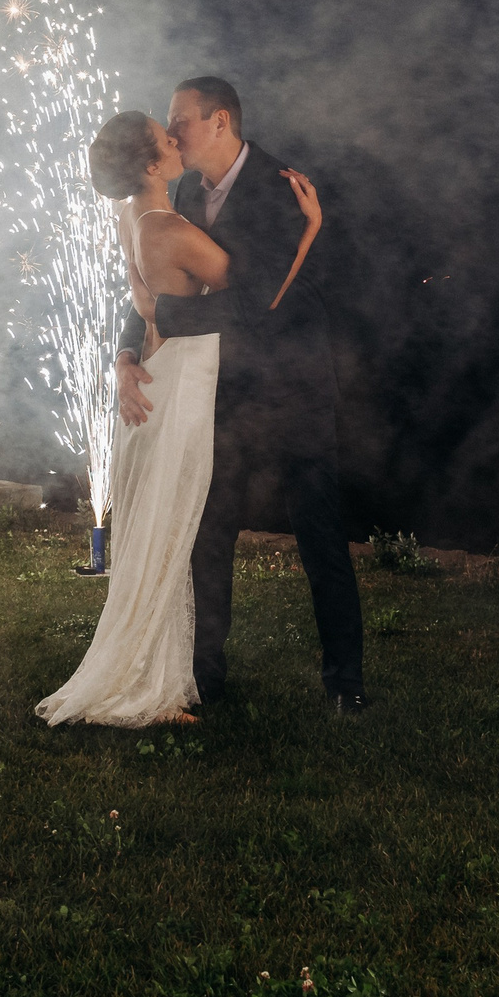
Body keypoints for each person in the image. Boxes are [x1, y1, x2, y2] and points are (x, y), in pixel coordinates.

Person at [36, 108, 321, 726]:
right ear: (150, 163)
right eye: (165, 139)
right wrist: (310, 229)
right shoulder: (167, 228)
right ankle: (146, 684)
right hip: (184, 383)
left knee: (157, 529)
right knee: (171, 531)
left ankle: (160, 668)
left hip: (156, 381)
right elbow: (258, 299)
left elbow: (147, 304)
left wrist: (122, 355)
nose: (175, 141)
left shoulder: (127, 215)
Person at [112, 78, 364, 714]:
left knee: (320, 534)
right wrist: (125, 352)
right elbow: (152, 277)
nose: (171, 135)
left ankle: (345, 686)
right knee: (209, 528)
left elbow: (260, 304)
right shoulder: (183, 194)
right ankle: (205, 679)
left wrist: (163, 319)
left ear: (220, 121)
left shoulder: (281, 189)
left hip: (293, 387)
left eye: (181, 122)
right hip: (221, 391)